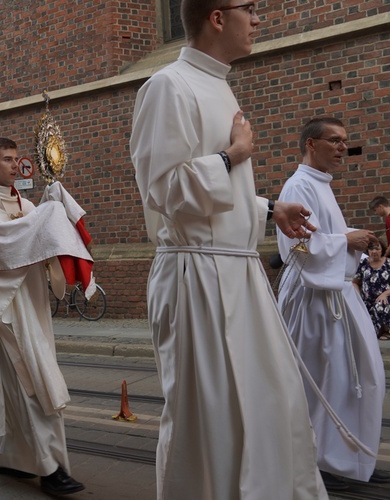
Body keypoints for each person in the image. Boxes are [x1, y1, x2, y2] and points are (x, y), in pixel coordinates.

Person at [129, 2, 326, 498]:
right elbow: (164, 191)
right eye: (249, 8)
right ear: (217, 17)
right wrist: (231, 156)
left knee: (267, 408)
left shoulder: (217, 83)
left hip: (235, 275)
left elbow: (214, 197)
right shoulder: (167, 87)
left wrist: (268, 209)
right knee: (208, 423)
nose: (257, 19)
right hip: (197, 279)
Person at [0, 138, 93, 496]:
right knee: (34, 381)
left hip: (32, 306)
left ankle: (11, 457)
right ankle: (51, 468)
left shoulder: (26, 203)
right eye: (5, 160)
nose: (13, 165)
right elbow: (3, 246)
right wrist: (46, 216)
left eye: (15, 159)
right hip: (7, 310)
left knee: (15, 385)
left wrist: (51, 210)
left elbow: (42, 242)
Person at [277, 117, 387, 490]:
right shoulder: (298, 186)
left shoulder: (320, 185)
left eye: (345, 140)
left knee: (358, 377)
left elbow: (319, 238)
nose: (343, 147)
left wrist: (344, 239)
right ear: (311, 143)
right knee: (326, 379)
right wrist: (345, 241)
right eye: (335, 140)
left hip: (336, 293)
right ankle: (320, 462)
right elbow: (297, 246)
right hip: (313, 300)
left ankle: (351, 458)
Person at [355, 241, 390, 339]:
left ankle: (385, 331)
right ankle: (377, 332)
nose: (374, 251)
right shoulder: (363, 263)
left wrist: (385, 294)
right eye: (371, 249)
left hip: (385, 298)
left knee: (380, 305)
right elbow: (354, 282)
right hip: (367, 300)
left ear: (382, 249)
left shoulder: (388, 263)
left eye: (377, 248)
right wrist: (358, 296)